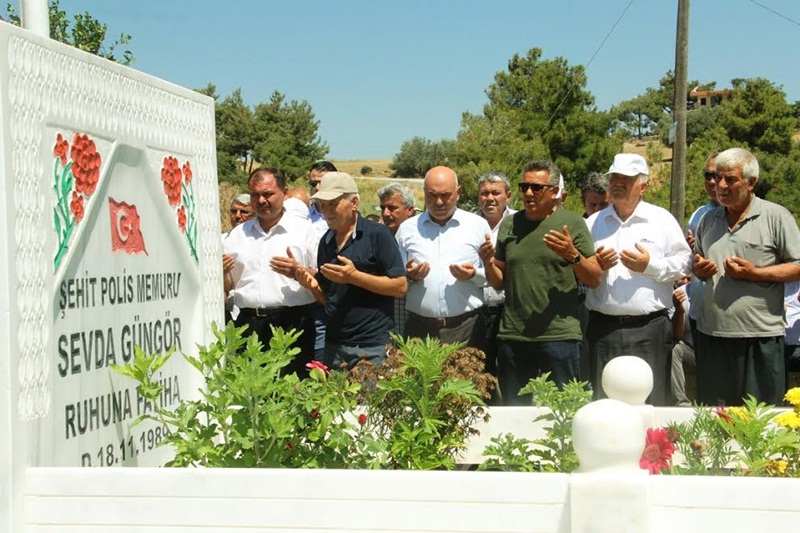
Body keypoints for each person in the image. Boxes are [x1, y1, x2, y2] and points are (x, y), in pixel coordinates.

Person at [481, 160, 600, 404]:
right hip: (514, 337)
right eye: (524, 186)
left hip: (559, 338)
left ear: (554, 191)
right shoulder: (510, 224)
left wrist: (572, 255)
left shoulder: (573, 224)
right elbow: (499, 282)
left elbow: (594, 277)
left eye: (536, 188)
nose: (527, 193)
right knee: (516, 412)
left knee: (564, 412)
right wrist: (487, 262)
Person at [693, 147, 800, 405]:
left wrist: (755, 273)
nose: (720, 185)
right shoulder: (708, 220)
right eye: (717, 178)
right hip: (713, 336)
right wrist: (699, 270)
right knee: (716, 422)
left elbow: (798, 265)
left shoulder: (776, 216)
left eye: (730, 179)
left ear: (751, 182)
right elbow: (696, 262)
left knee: (760, 423)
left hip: (759, 337)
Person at [585, 153, 692, 406]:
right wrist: (595, 267)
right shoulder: (593, 223)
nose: (618, 183)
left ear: (643, 186)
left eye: (626, 178)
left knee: (653, 403)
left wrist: (650, 266)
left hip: (650, 329)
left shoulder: (661, 220)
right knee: (604, 403)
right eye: (614, 177)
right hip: (603, 330)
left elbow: (685, 262)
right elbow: (580, 269)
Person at [295, 172, 407, 369]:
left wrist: (354, 277)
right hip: (334, 345)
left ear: (354, 202)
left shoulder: (377, 235)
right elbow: (329, 299)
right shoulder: (326, 242)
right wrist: (312, 286)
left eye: (333, 203)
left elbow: (400, 286)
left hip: (371, 347)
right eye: (322, 205)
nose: (326, 211)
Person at [222, 167, 318, 377]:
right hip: (249, 325)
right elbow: (227, 286)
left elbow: (321, 278)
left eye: (268, 194)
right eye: (255, 195)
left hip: (292, 324)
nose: (261, 200)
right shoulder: (237, 236)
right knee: (251, 395)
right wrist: (221, 274)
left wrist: (298, 272)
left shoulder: (304, 230)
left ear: (284, 193)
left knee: (293, 393)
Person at [395, 166, 490, 347]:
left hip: (466, 329)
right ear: (424, 193)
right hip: (419, 330)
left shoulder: (477, 226)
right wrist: (410, 276)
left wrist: (473, 275)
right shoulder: (407, 229)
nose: (439, 202)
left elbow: (494, 278)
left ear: (458, 192)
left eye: (445, 195)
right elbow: (394, 279)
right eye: (432, 195)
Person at [476, 171, 516, 382]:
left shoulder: (520, 222)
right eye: (484, 193)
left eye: (495, 193)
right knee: (478, 374)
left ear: (507, 195)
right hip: (476, 313)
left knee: (511, 373)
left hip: (508, 312)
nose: (489, 198)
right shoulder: (467, 224)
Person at [307, 160, 338, 361]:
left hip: (334, 294)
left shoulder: (343, 216)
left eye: (322, 182)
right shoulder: (300, 216)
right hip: (307, 301)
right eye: (313, 183)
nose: (317, 187)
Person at [377, 182, 416, 336]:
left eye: (392, 208)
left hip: (415, 321)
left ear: (409, 210)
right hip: (384, 322)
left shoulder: (421, 237)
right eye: (382, 208)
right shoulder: (377, 237)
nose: (386, 213)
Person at [222, 194, 255, 323]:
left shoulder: (259, 242)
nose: (237, 215)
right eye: (233, 211)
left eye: (244, 212)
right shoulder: (221, 240)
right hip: (229, 314)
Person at [670, 278, 695, 406]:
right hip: (693, 352)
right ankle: (682, 404)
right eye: (682, 276)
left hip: (716, 351)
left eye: (688, 277)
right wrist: (680, 311)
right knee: (675, 349)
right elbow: (676, 335)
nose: (686, 280)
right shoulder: (679, 294)